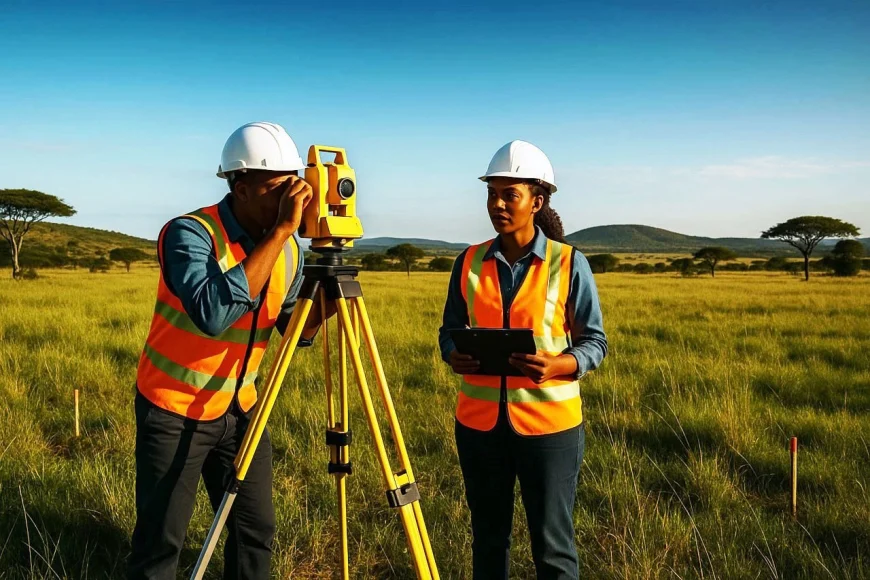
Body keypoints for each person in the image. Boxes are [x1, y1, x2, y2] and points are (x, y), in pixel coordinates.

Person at [129, 122, 326, 580]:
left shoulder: (291, 252)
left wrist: (331, 293)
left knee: (255, 533)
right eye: (278, 188)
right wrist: (281, 233)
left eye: (295, 186)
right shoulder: (189, 233)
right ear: (240, 186)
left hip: (241, 410)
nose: (291, 200)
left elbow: (296, 330)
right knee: (161, 541)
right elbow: (212, 313)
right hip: (174, 409)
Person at [438, 140, 608, 579]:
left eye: (509, 195)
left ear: (537, 200)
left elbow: (594, 342)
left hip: (549, 428)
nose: (497, 204)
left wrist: (560, 365)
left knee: (552, 546)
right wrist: (454, 355)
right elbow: (447, 332)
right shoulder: (469, 261)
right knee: (489, 538)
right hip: (478, 426)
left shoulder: (569, 263)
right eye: (492, 193)